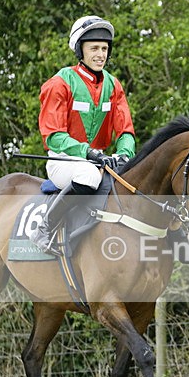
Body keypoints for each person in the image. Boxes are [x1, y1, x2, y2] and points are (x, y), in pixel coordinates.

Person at [30, 15, 136, 255]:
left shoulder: (114, 85)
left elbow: (126, 131)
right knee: (88, 175)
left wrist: (124, 153)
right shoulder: (59, 83)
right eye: (94, 48)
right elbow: (54, 136)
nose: (101, 54)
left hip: (101, 162)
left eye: (104, 49)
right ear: (81, 50)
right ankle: (45, 228)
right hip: (64, 160)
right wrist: (88, 152)